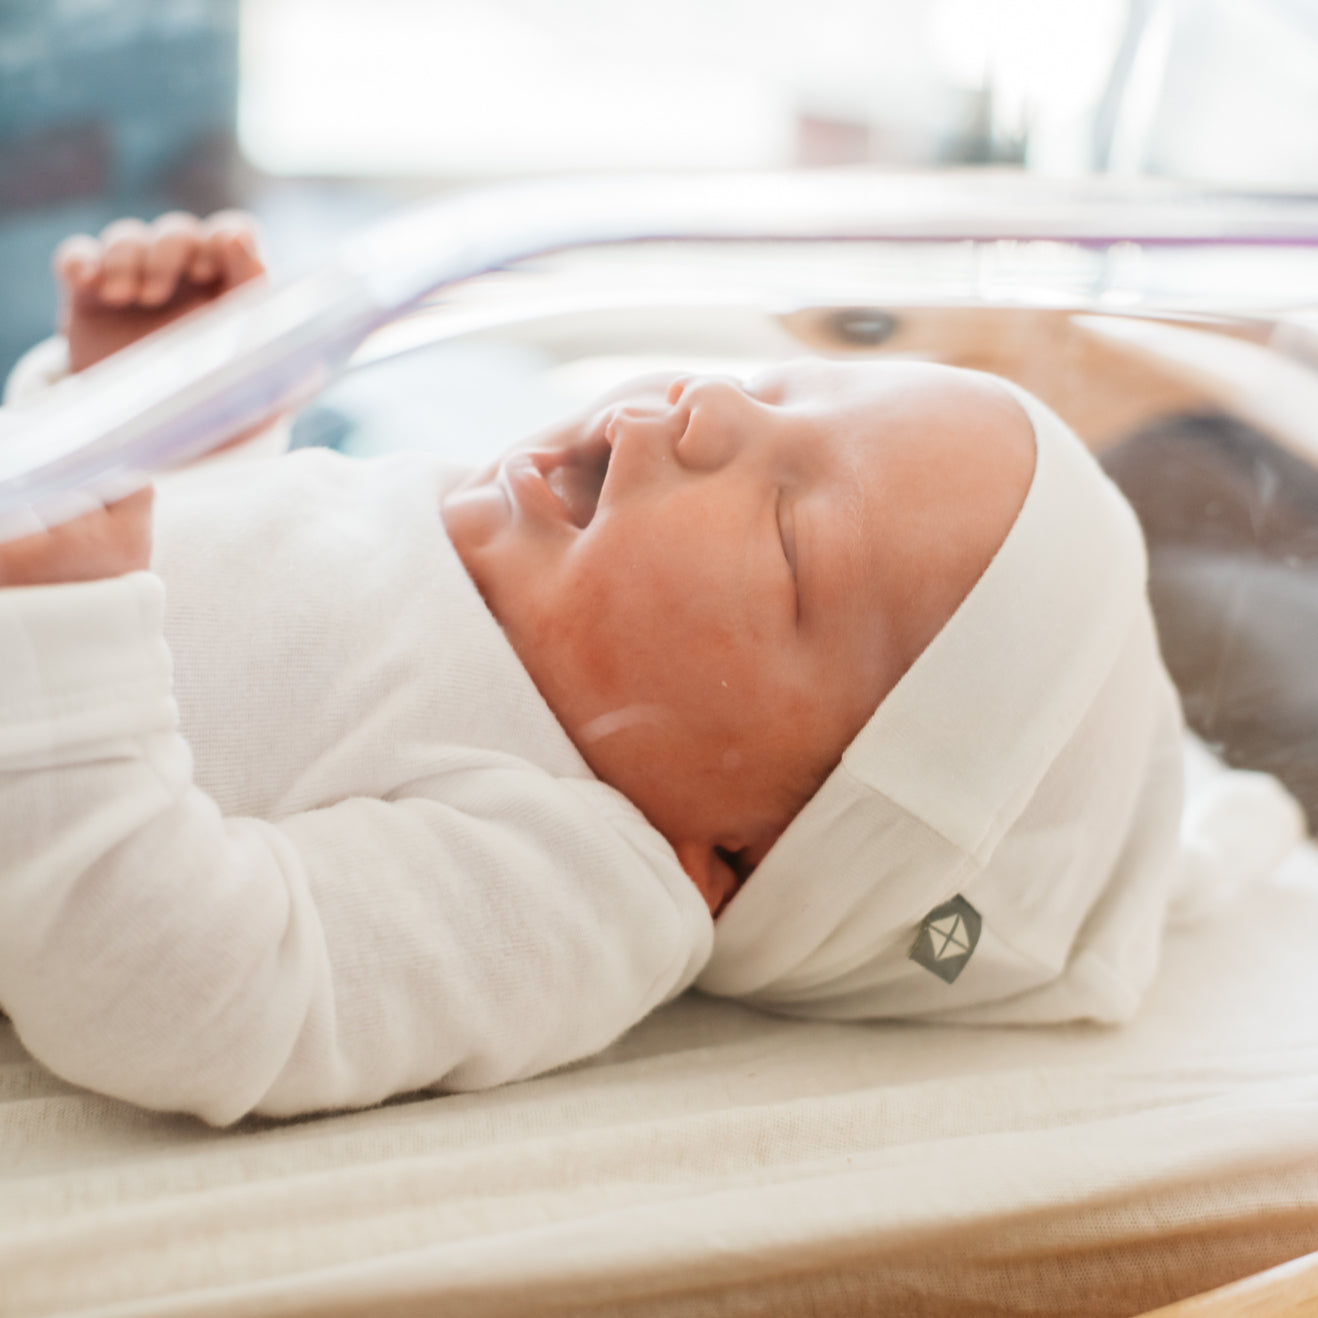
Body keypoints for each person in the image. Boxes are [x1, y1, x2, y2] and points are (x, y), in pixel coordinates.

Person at [0, 212, 1189, 1125]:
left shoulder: (585, 873)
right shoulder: (473, 522)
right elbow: (247, 621)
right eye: (781, 390)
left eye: (787, 532)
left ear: (748, 855)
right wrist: (167, 428)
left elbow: (193, 990)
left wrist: (66, 604)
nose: (710, 403)